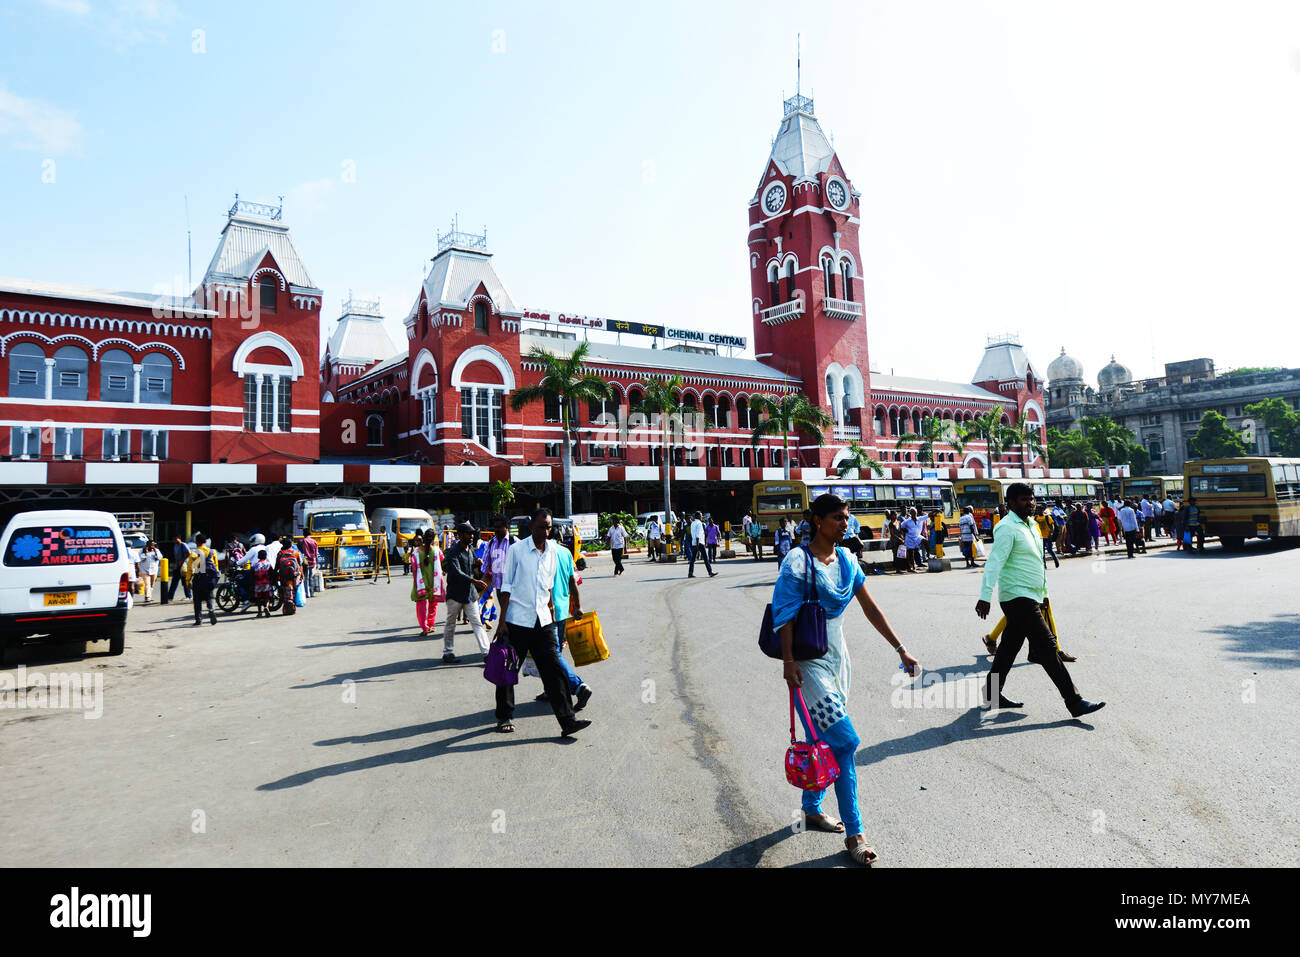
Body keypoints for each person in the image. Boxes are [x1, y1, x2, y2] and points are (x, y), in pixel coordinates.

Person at [775, 493, 919, 867]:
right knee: (845, 742)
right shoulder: (797, 561)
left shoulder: (847, 560)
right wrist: (789, 662)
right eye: (838, 518)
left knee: (821, 737)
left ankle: (810, 808)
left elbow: (870, 607)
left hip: (838, 658)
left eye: (846, 517)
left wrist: (900, 647)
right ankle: (856, 834)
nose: (845, 523)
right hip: (808, 664)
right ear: (818, 521)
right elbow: (784, 614)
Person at [976, 483, 1104, 719]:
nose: (1030, 503)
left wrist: (1043, 594)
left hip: (1031, 596)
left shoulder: (1033, 525)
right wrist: (985, 597)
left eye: (1032, 499)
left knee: (1008, 648)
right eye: (1024, 499)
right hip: (1016, 597)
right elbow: (994, 562)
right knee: (1047, 647)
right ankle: (1074, 701)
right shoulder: (1006, 527)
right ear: (1011, 503)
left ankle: (992, 694)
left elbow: (1036, 564)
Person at [494, 508, 592, 737]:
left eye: (548, 527)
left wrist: (556, 612)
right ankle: (504, 716)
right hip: (517, 620)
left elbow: (548, 587)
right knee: (508, 670)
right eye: (541, 527)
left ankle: (568, 721)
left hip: (543, 621)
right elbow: (506, 587)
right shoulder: (517, 550)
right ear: (531, 527)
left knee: (554, 672)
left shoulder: (553, 553)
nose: (546, 531)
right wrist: (502, 621)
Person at [533, 526, 594, 713]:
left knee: (552, 654)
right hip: (561, 611)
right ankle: (549, 689)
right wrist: (577, 606)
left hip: (546, 611)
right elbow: (572, 582)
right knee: (553, 653)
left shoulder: (542, 553)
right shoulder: (566, 553)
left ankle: (578, 686)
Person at [441, 523, 491, 663]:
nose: (472, 536)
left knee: (477, 623)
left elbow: (470, 566)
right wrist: (474, 581)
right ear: (461, 534)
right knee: (451, 623)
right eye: (469, 534)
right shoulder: (453, 551)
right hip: (455, 594)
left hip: (470, 594)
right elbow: (456, 572)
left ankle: (487, 653)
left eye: (473, 534)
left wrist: (477, 563)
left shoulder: (470, 549)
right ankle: (448, 652)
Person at [411, 529, 445, 636]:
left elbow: (413, 567)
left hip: (421, 584)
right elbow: (443, 561)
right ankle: (430, 625)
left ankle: (425, 628)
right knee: (433, 605)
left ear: (424, 537)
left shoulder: (416, 552)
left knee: (421, 606)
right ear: (434, 538)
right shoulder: (437, 551)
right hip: (434, 583)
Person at [185, 533, 218, 626]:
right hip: (210, 579)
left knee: (197, 600)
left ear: (196, 542)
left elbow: (190, 569)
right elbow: (216, 566)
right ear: (205, 541)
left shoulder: (195, 553)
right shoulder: (212, 552)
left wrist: (188, 581)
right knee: (210, 597)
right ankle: (211, 610)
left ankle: (198, 619)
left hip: (199, 579)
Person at [480, 517, 516, 595]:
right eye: (495, 527)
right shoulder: (491, 543)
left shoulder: (515, 542)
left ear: (506, 527)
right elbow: (485, 566)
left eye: (499, 527)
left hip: (513, 588)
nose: (496, 530)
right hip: (498, 588)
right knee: (503, 607)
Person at [687, 511, 717, 578]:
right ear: (698, 516)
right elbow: (698, 534)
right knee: (705, 558)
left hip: (694, 542)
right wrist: (697, 544)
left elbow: (693, 534)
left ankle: (690, 572)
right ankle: (710, 572)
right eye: (701, 515)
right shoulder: (699, 523)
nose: (702, 517)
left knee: (693, 559)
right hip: (699, 542)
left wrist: (695, 544)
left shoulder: (693, 523)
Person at [277, 536, 302, 615]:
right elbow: (300, 565)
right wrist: (301, 575)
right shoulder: (295, 553)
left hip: (284, 576)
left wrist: (275, 575)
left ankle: (285, 609)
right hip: (295, 575)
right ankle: (293, 608)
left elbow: (277, 565)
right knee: (294, 591)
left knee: (285, 592)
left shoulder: (280, 553)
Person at [166, 536, 192, 602]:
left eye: (176, 539)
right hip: (178, 566)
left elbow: (188, 553)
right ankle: (170, 597)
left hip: (183, 566)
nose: (175, 540)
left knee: (185, 582)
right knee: (174, 582)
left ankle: (188, 596)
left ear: (179, 538)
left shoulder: (183, 545)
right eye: (174, 539)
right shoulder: (175, 546)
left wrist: (182, 561)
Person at [1034, 504, 1059, 568]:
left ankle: (1056, 560)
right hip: (1040, 537)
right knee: (1042, 551)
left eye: (1040, 510)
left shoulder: (1047, 517)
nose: (1038, 511)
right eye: (1037, 510)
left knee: (1050, 550)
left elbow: (1052, 526)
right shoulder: (1036, 518)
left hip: (1047, 536)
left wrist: (1051, 533)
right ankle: (1044, 565)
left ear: (1043, 510)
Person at [252, 549, 275, 618]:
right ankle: (266, 607)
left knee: (258, 598)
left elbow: (252, 575)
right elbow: (272, 574)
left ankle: (259, 612)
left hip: (258, 584)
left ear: (258, 556)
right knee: (266, 597)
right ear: (265, 556)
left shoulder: (255, 565)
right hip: (266, 584)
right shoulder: (268, 564)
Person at [299, 531, 318, 598]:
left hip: (305, 561)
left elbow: (300, 551)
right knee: (311, 577)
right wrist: (317, 563)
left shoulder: (301, 541)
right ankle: (312, 592)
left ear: (303, 534)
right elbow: (316, 553)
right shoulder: (314, 541)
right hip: (313, 561)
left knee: (306, 578)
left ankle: (307, 593)